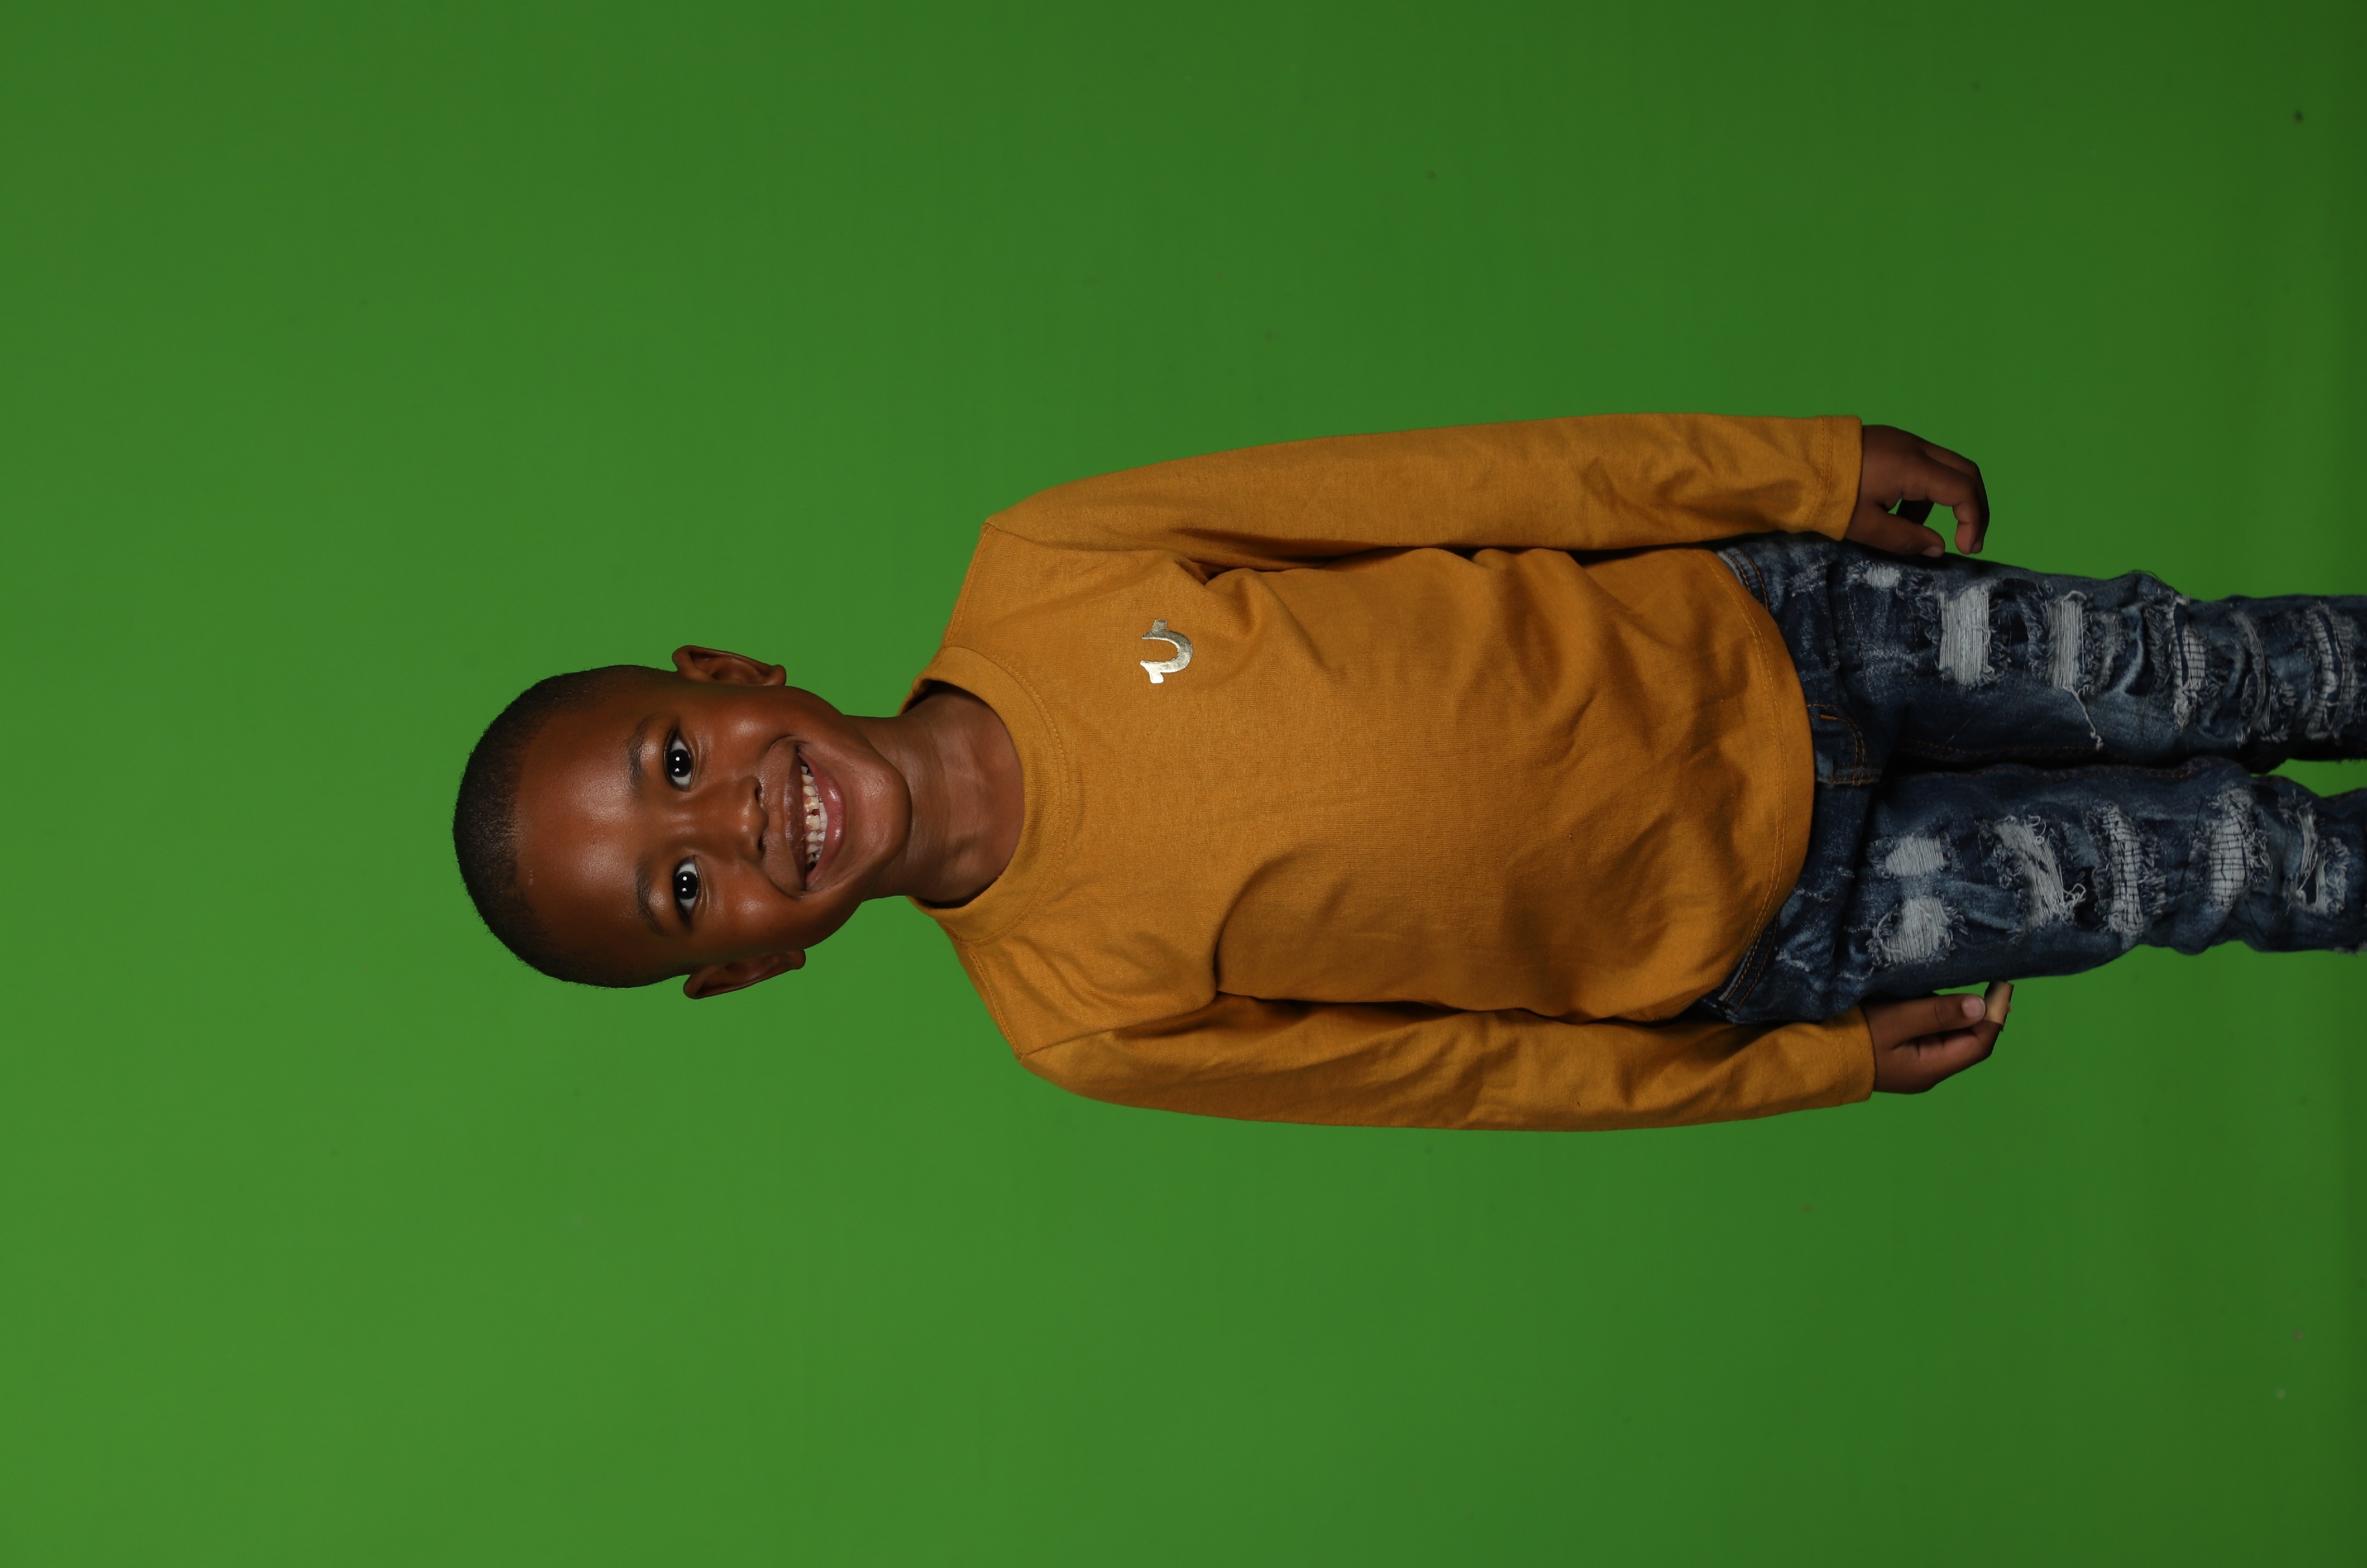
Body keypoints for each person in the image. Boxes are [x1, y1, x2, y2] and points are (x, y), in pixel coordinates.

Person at [451, 416, 2366, 1130]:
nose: (730, 818)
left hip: (1786, 628)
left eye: (675, 757)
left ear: (728, 674)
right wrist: (1804, 1065)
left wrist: (1780, 468)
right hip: (1794, 925)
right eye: (682, 886)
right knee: (2217, 867)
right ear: (745, 964)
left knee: (2205, 668)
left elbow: (1457, 484)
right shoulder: (1078, 1019)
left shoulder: (1052, 562)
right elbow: (1464, 1077)